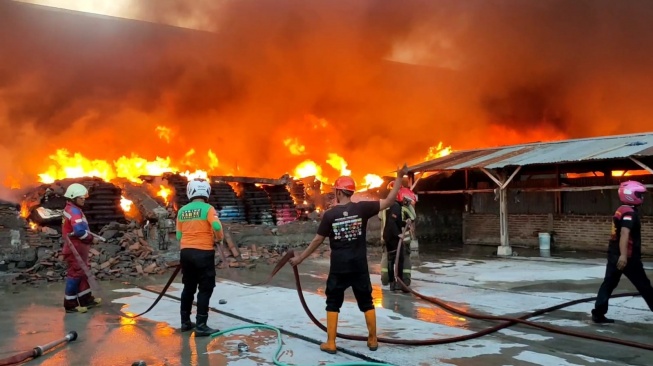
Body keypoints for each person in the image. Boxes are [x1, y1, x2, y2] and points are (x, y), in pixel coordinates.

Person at [290, 164, 409, 354]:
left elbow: (318, 240)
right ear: (351, 192)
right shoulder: (362, 209)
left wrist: (300, 259)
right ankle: (372, 340)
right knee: (367, 302)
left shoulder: (330, 215)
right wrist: (400, 177)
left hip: (339, 268)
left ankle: (331, 342)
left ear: (338, 192)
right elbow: (388, 201)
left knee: (333, 303)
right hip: (359, 266)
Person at [591, 180, 653, 323]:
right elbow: (625, 233)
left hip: (614, 255)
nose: (642, 198)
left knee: (609, 284)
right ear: (630, 195)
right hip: (628, 258)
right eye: (640, 194)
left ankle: (598, 314)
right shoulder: (629, 213)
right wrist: (624, 256)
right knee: (644, 286)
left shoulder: (621, 209)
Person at [176, 178, 224, 336]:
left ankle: (185, 322)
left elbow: (178, 235)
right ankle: (201, 325)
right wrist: (219, 238)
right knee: (205, 288)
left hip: (186, 253)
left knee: (188, 287)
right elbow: (216, 226)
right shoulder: (208, 208)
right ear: (207, 192)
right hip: (203, 252)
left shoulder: (182, 211)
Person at [62, 183, 102, 313]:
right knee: (75, 274)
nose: (84, 199)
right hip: (75, 248)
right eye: (81, 198)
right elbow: (79, 231)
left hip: (78, 247)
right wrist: (91, 238)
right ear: (73, 197)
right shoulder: (73, 211)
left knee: (83, 273)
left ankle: (86, 299)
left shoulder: (73, 208)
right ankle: (70, 304)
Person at [383, 187, 417, 292]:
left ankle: (393, 283)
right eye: (407, 200)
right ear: (403, 198)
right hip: (392, 238)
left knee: (392, 260)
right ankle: (399, 283)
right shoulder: (396, 207)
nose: (408, 203)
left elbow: (396, 222)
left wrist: (403, 223)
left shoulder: (395, 206)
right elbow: (392, 223)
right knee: (398, 260)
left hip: (389, 236)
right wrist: (398, 234)